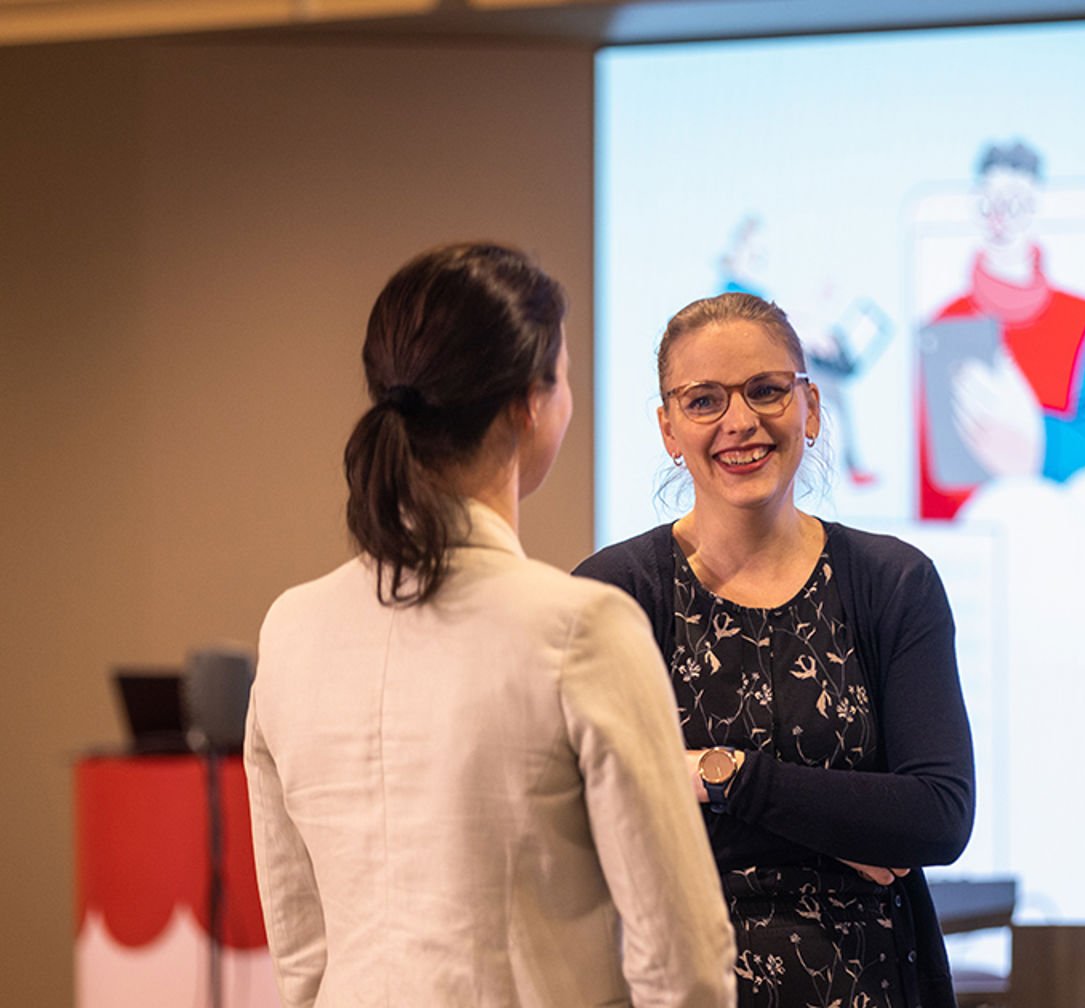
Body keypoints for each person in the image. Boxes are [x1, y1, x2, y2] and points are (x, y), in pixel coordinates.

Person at [244, 242, 735, 1007]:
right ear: (528, 403)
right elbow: (684, 965)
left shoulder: (290, 628)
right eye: (564, 375)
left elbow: (301, 950)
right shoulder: (580, 626)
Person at [575, 291, 975, 1008]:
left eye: (765, 390)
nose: (740, 422)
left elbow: (937, 817)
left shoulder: (892, 581)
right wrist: (844, 826)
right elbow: (588, 817)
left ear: (811, 408)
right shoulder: (615, 594)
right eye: (704, 401)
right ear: (668, 429)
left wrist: (716, 774)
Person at [916, 139, 1085, 520]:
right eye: (989, 205)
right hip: (976, 529)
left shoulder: (1077, 317)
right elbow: (931, 467)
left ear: (1036, 206)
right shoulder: (946, 323)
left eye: (1014, 205)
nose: (1000, 219)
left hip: (1066, 526)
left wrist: (1039, 448)